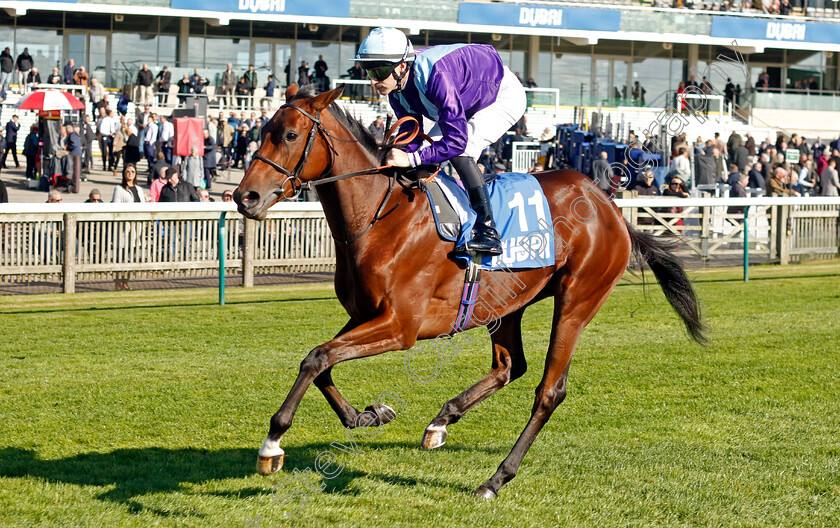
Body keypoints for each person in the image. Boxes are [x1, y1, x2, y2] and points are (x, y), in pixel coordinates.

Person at [355, 27, 527, 255]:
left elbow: (456, 142)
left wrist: (411, 157)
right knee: (420, 160)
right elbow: (411, 133)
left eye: (379, 72)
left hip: (500, 95)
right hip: (464, 99)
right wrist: (397, 152)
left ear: (402, 66)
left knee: (461, 151)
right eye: (369, 72)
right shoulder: (396, 88)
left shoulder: (436, 76)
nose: (373, 81)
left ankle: (488, 232)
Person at [65, 124, 82, 193]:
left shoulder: (72, 135)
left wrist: (67, 148)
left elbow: (73, 144)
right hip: (77, 154)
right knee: (76, 172)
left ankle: (75, 188)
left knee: (75, 172)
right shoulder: (75, 134)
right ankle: (75, 188)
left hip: (74, 154)